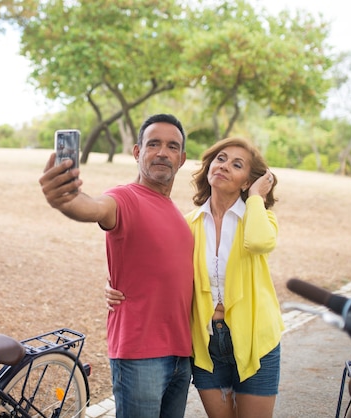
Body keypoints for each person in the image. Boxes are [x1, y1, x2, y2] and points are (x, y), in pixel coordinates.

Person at [107, 136, 284, 418]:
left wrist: (255, 199)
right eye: (220, 159)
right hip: (206, 346)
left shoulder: (260, 216)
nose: (224, 166)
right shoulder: (188, 223)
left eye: (237, 165)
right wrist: (115, 285)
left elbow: (258, 243)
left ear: (246, 181)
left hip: (256, 343)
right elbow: (158, 266)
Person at [39, 114, 195, 418]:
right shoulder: (125, 197)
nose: (163, 152)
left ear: (182, 158)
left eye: (172, 146)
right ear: (137, 152)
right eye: (153, 144)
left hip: (181, 354)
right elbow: (94, 206)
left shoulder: (178, 214)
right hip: (140, 356)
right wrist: (66, 199)